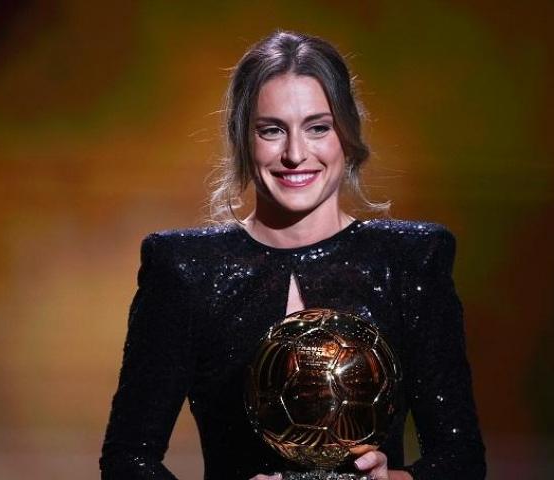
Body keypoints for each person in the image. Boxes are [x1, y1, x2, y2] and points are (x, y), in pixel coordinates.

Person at [100, 30, 486, 480]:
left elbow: (461, 461)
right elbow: (127, 460)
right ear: (242, 138)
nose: (295, 154)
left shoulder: (407, 260)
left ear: (347, 132)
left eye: (318, 127)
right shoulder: (186, 270)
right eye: (272, 130)